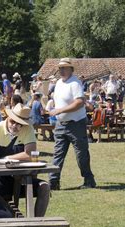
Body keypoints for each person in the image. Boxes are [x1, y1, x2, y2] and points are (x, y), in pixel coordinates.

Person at [0, 103, 51, 221]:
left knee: (44, 187)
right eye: (13, 121)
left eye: (20, 124)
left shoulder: (28, 129)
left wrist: (7, 158)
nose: (16, 125)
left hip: (21, 178)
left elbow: (30, 153)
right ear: (7, 117)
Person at [48, 58, 96, 190]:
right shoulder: (58, 83)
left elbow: (79, 102)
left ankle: (89, 180)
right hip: (61, 123)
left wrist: (59, 110)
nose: (61, 70)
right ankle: (53, 182)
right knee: (58, 154)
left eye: (64, 68)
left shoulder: (75, 83)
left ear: (71, 69)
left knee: (81, 154)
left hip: (76, 124)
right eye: (60, 68)